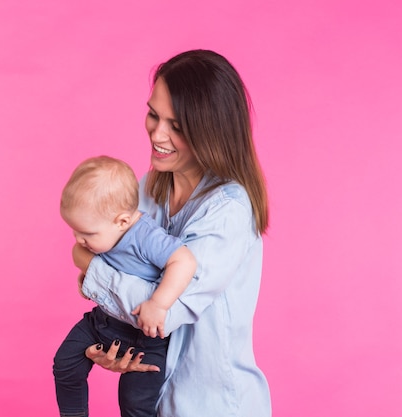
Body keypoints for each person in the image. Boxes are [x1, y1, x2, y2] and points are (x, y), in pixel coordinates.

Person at [72, 49, 272, 416]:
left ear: (210, 130)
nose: (157, 133)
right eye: (153, 114)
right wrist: (115, 343)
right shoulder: (149, 187)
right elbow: (135, 308)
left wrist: (90, 270)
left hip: (214, 406)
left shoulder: (228, 211)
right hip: (157, 399)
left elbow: (163, 313)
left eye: (176, 125)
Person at [53, 155, 197, 417]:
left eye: (87, 234)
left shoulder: (145, 236)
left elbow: (184, 261)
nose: (78, 240)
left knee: (135, 400)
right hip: (102, 323)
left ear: (122, 221)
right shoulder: (106, 229)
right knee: (65, 362)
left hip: (146, 339)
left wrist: (158, 303)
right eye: (75, 232)